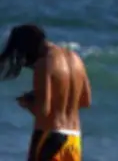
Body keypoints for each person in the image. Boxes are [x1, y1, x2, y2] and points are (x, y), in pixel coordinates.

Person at [0, 24, 91, 161]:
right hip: (74, 139)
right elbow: (85, 101)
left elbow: (44, 111)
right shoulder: (75, 58)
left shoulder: (44, 63)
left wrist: (28, 103)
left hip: (50, 139)